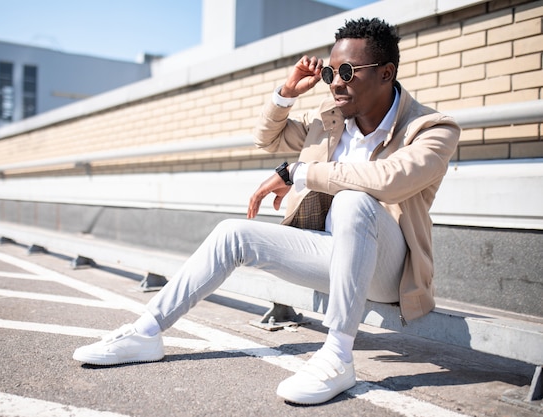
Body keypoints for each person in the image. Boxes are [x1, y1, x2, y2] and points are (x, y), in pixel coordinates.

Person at [73, 17, 460, 405]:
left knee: (354, 199)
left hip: (389, 271)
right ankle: (146, 332)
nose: (335, 82)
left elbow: (389, 180)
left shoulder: (431, 128)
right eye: (329, 72)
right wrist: (287, 93)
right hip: (330, 254)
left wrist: (300, 173)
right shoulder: (330, 120)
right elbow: (267, 137)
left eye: (346, 71)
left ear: (385, 73)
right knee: (232, 233)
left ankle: (338, 355)